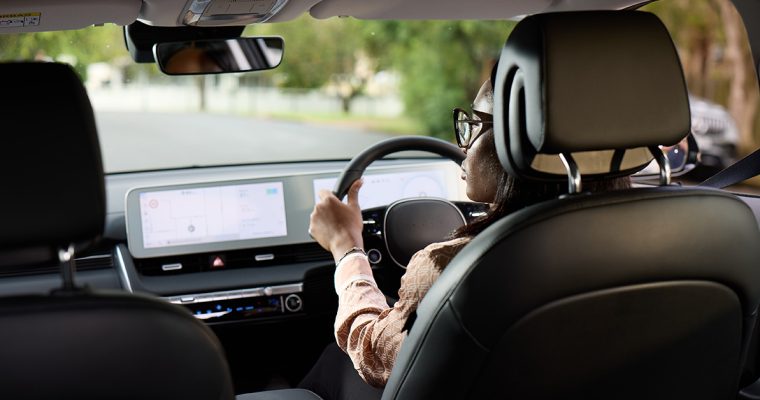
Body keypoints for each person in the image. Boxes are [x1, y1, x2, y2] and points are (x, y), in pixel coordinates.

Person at [301, 66, 631, 399]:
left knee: (335, 359)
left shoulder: (448, 265)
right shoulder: (655, 237)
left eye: (475, 124)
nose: (464, 145)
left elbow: (373, 352)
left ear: (518, 140)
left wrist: (347, 248)